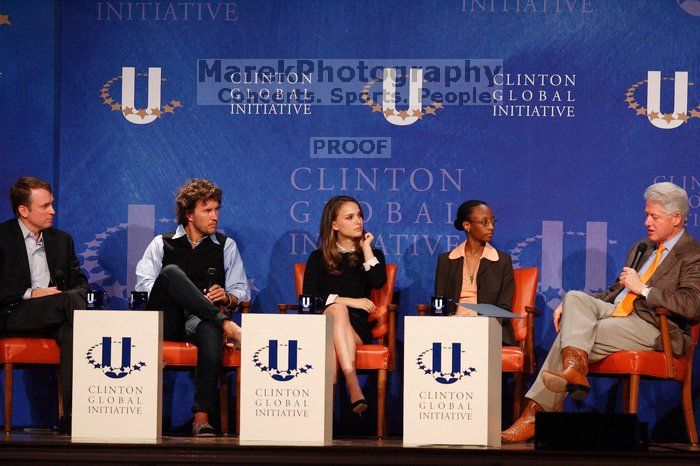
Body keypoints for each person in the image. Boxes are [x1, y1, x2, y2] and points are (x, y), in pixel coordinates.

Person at [502, 182, 700, 443]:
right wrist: (573, 307)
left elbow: (692, 304)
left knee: (569, 338)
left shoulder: (692, 254)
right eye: (646, 214)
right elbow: (613, 292)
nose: (646, 222)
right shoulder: (643, 248)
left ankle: (535, 414)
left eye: (654, 217)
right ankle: (573, 370)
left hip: (652, 326)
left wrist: (644, 290)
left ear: (676, 219)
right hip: (617, 311)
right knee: (573, 297)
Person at [135, 179, 249, 437]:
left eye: (217, 210)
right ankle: (227, 324)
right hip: (166, 320)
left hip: (200, 320)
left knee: (210, 329)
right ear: (189, 214)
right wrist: (181, 293)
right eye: (207, 211)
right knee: (170, 273)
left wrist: (228, 297)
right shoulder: (161, 243)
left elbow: (241, 290)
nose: (215, 217)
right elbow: (144, 288)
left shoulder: (225, 245)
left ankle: (201, 416)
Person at [0, 177, 89, 434]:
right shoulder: (3, 238)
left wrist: (64, 296)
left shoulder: (62, 240)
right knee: (71, 303)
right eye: (45, 206)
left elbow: (80, 283)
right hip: (13, 312)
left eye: (52, 204)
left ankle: (73, 417)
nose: (52, 211)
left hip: (58, 312)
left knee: (72, 329)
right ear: (24, 211)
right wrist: (33, 293)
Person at [303, 196, 387, 415]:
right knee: (336, 312)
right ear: (334, 224)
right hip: (323, 327)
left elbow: (378, 281)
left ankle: (324, 418)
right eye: (350, 217)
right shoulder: (318, 258)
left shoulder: (373, 255)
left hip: (357, 328)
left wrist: (366, 248)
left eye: (359, 215)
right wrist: (347, 300)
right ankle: (353, 386)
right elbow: (309, 299)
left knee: (334, 330)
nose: (358, 221)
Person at [434, 200, 516, 345]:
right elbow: (440, 302)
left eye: (492, 222)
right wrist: (443, 326)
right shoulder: (446, 260)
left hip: (488, 331)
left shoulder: (502, 261)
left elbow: (504, 306)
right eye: (484, 222)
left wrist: (480, 326)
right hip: (452, 329)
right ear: (467, 225)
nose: (491, 227)